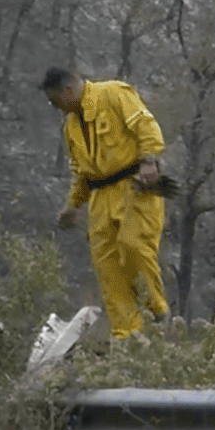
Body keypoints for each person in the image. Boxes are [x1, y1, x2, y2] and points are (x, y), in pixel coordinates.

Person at [40, 67, 168, 340]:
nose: (56, 108)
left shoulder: (112, 93)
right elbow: (82, 171)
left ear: (68, 91)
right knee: (107, 265)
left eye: (55, 101)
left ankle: (156, 314)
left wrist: (149, 161)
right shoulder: (71, 125)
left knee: (134, 245)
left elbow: (145, 124)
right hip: (100, 197)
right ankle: (127, 334)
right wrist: (73, 205)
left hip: (134, 185)